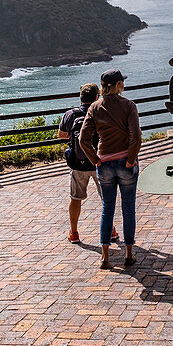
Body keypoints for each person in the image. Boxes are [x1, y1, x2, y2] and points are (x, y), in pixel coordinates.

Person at [79, 68, 142, 270]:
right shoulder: (129, 106)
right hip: (125, 163)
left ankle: (105, 257)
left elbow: (83, 140)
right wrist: (131, 160)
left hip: (104, 163)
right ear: (118, 85)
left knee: (108, 208)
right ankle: (129, 254)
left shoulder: (94, 108)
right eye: (121, 82)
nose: (123, 84)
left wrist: (95, 159)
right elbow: (136, 137)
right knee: (128, 208)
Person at [57, 83, 117, 244]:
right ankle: (111, 230)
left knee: (75, 198)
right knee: (106, 198)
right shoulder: (101, 111)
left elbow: (61, 134)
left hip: (78, 163)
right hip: (99, 161)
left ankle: (74, 232)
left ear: (81, 97)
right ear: (97, 97)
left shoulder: (71, 114)